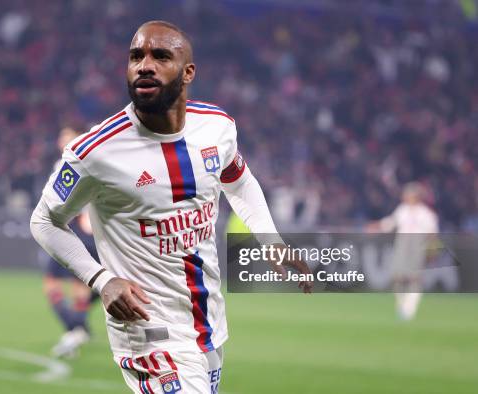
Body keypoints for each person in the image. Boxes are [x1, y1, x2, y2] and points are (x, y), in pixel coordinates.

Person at [31, 21, 311, 393]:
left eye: (160, 56)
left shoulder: (216, 127)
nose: (144, 65)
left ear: (188, 72)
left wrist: (270, 239)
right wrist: (101, 280)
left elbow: (239, 179)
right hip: (147, 331)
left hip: (206, 322)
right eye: (136, 57)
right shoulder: (95, 151)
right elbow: (44, 221)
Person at [45, 127, 99, 358]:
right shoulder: (95, 162)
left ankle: (74, 330)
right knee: (83, 288)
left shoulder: (68, 164)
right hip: (85, 232)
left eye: (66, 136)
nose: (61, 140)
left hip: (71, 231)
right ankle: (77, 328)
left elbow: (57, 203)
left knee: (60, 285)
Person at [367, 182, 439, 321]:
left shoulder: (426, 214)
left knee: (414, 278)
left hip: (417, 245)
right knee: (397, 276)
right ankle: (402, 305)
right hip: (402, 244)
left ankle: (410, 308)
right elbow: (390, 223)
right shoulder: (403, 210)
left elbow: (432, 234)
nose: (406, 197)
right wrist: (376, 227)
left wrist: (432, 251)